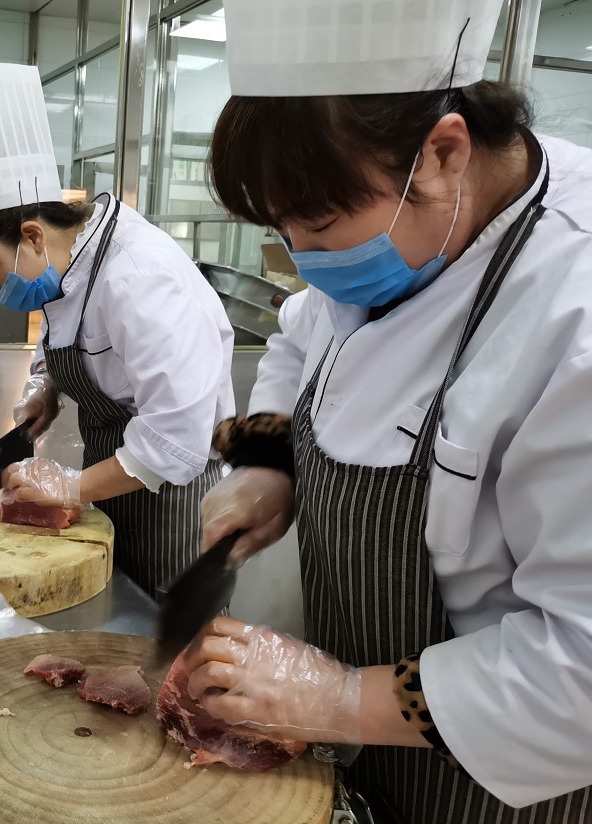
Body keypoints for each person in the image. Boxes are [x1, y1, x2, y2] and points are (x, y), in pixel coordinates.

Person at [184, 0, 592, 820]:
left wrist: (340, 700)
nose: (302, 259)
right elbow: (300, 336)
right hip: (360, 760)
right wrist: (270, 463)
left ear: (443, 152)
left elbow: (581, 671)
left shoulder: (573, 308)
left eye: (319, 225)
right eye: (282, 229)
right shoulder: (406, 229)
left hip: (497, 787)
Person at [0, 64, 235, 598]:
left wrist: (69, 486)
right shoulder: (70, 264)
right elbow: (80, 342)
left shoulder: (139, 274)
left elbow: (177, 438)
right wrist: (49, 389)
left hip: (176, 508)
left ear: (31, 236)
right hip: (111, 491)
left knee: (165, 643)